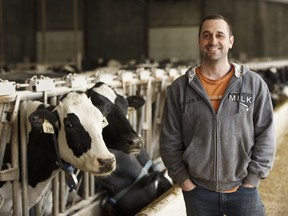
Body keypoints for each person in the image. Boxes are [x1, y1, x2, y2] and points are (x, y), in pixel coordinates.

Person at [160, 14, 276, 216]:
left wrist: (252, 180)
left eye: (220, 35)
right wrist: (185, 182)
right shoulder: (180, 88)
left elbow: (266, 134)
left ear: (230, 41)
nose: (213, 41)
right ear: (199, 41)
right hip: (198, 192)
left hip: (244, 191)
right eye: (207, 35)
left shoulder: (253, 84)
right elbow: (169, 139)